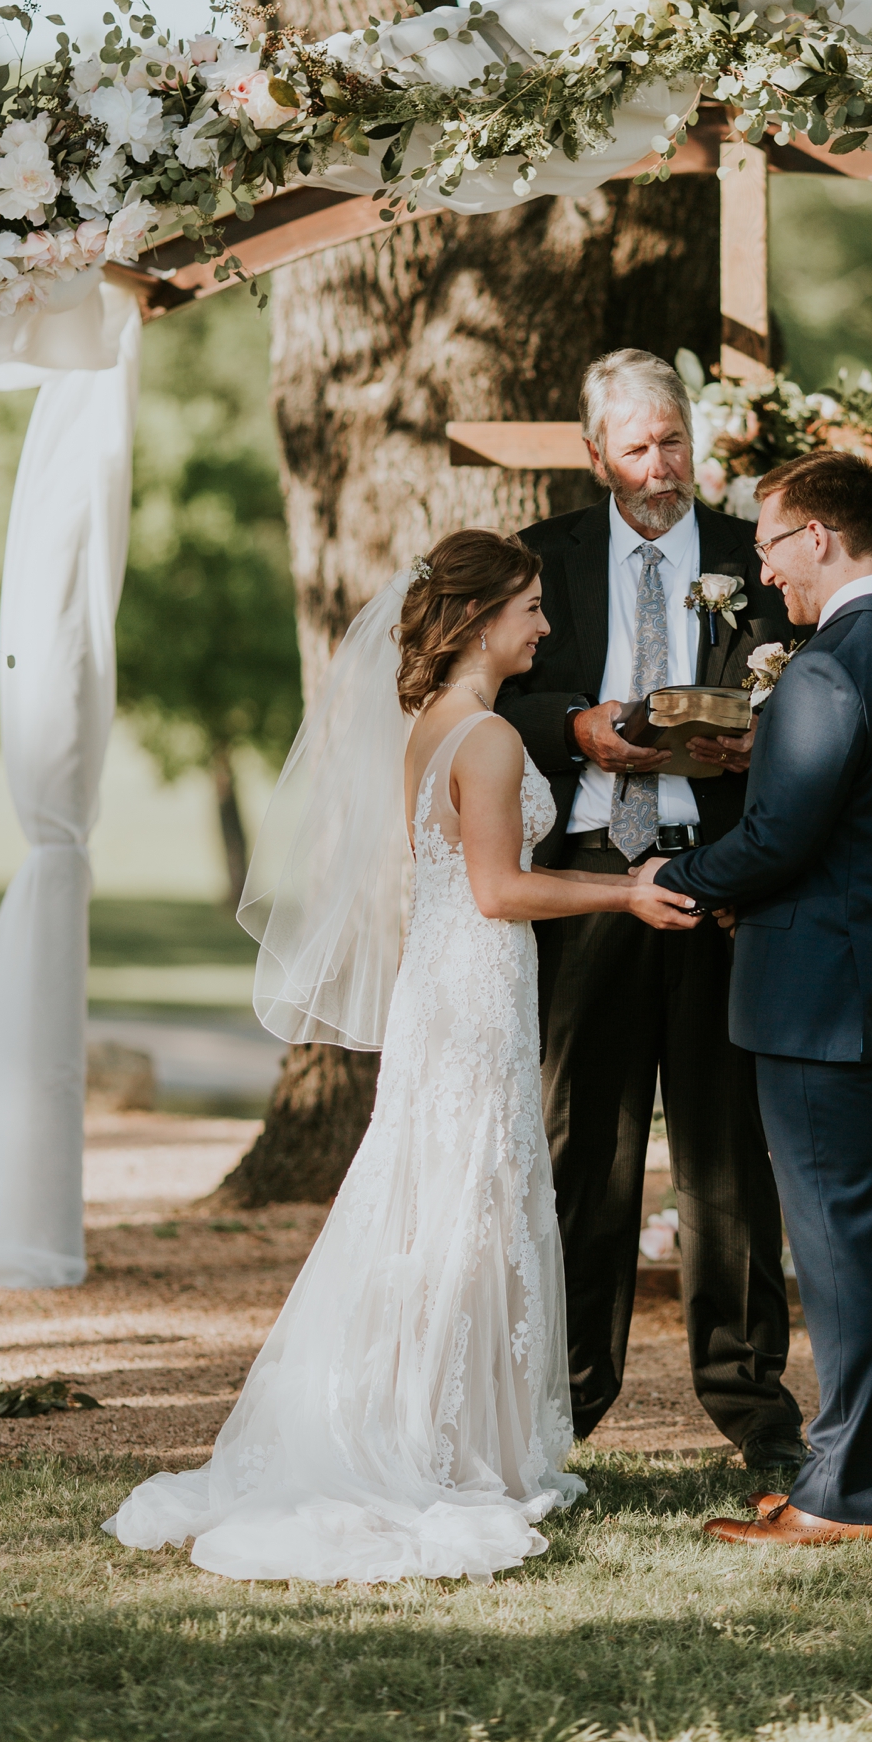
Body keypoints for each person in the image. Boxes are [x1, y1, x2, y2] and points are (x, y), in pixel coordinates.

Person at [107, 530, 698, 1585]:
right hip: (472, 987)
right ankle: (433, 1441)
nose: (548, 625)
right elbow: (499, 890)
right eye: (529, 608)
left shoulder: (432, 724)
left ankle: (448, 1426)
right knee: (462, 1202)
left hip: (455, 982)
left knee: (439, 1199)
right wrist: (628, 889)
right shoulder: (488, 740)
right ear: (478, 620)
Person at [645, 451, 872, 1545]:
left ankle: (842, 1495)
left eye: (772, 545)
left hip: (819, 996)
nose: (765, 570)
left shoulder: (830, 669)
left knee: (841, 1247)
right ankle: (866, 1473)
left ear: (823, 538)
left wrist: (677, 880)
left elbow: (780, 836)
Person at [496, 349, 806, 1469]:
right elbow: (493, 692)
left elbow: (812, 693)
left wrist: (759, 742)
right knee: (586, 1144)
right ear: (597, 454)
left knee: (730, 1150)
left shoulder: (749, 556)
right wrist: (577, 726)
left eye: (673, 439)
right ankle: (566, 1401)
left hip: (719, 874)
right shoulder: (544, 556)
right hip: (587, 878)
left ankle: (756, 1408)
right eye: (637, 446)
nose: (661, 464)